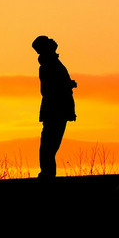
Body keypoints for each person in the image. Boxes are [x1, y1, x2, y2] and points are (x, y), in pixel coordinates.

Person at [32, 35, 77, 179]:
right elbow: (48, 90)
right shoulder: (49, 65)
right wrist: (67, 85)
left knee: (49, 146)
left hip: (57, 111)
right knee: (48, 146)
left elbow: (51, 89)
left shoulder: (51, 64)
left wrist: (67, 85)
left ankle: (47, 174)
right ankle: (47, 174)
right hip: (55, 111)